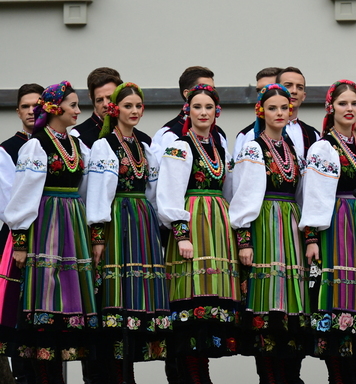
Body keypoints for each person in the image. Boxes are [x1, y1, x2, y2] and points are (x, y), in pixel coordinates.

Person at [2, 81, 98, 383]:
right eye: (73, 105)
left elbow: (85, 188)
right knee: (44, 298)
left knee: (68, 304)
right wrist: (20, 242)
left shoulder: (77, 144)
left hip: (72, 224)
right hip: (46, 226)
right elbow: (23, 195)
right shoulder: (36, 145)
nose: (78, 110)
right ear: (56, 109)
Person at [86, 82, 171, 383]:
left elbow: (154, 192)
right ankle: (115, 372)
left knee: (137, 298)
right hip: (117, 221)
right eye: (128, 106)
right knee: (116, 295)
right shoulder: (104, 145)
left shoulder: (145, 146)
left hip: (142, 223)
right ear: (115, 109)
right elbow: (98, 194)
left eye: (138, 106)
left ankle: (128, 370)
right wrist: (98, 236)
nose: (134, 111)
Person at [157, 84, 241, 384]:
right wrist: (181, 234)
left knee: (211, 310)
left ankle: (201, 372)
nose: (203, 112)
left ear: (215, 112)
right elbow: (169, 195)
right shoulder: (180, 146)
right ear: (187, 111)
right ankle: (193, 376)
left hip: (217, 227)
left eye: (208, 107)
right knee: (192, 307)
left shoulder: (218, 147)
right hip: (194, 226)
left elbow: (230, 192)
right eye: (197, 107)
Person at [299, 80, 356, 384]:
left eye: (355, 104)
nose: (350, 109)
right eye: (343, 103)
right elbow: (315, 196)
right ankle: (338, 376)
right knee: (337, 300)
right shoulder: (324, 147)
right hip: (335, 226)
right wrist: (312, 237)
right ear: (331, 107)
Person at [229, 84, 309, 384]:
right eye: (272, 108)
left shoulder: (292, 148)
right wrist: (244, 240)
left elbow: (301, 194)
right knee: (267, 305)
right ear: (261, 111)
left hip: (290, 225)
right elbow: (244, 196)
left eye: (284, 108)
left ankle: (291, 376)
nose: (279, 113)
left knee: (292, 310)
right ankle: (270, 377)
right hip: (265, 224)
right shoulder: (253, 147)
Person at [0, 83, 43, 384]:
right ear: (17, 111)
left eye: (37, 105)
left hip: (55, 233)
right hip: (19, 238)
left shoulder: (60, 144)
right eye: (26, 106)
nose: (31, 111)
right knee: (18, 312)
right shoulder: (7, 150)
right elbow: (7, 201)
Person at [151, 66, 227, 164]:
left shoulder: (219, 134)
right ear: (187, 94)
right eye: (204, 88)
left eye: (212, 90)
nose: (208, 93)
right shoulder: (170, 134)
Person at [233, 67, 283, 160]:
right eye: (259, 91)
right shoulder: (247, 135)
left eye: (269, 89)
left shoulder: (309, 133)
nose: (262, 95)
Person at [70, 67, 122, 148]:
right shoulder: (78, 134)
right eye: (100, 99)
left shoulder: (137, 136)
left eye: (110, 97)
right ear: (91, 97)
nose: (106, 104)